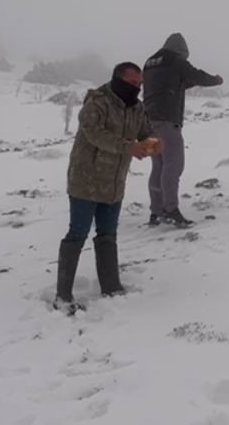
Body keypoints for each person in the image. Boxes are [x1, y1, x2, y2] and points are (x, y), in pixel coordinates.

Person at [54, 62, 160, 313]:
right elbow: (94, 134)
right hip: (86, 180)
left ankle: (111, 287)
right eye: (132, 83)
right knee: (77, 233)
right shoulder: (97, 103)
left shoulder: (136, 107)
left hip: (114, 182)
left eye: (140, 84)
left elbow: (145, 131)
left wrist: (153, 142)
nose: (137, 88)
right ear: (117, 79)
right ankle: (63, 295)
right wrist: (128, 146)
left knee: (108, 234)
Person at [143, 32, 223, 226]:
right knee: (173, 165)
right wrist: (216, 80)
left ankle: (156, 211)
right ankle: (170, 209)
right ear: (181, 50)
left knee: (158, 165)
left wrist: (190, 81)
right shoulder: (175, 59)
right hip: (167, 121)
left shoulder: (151, 62)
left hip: (148, 122)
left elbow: (172, 83)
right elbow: (196, 75)